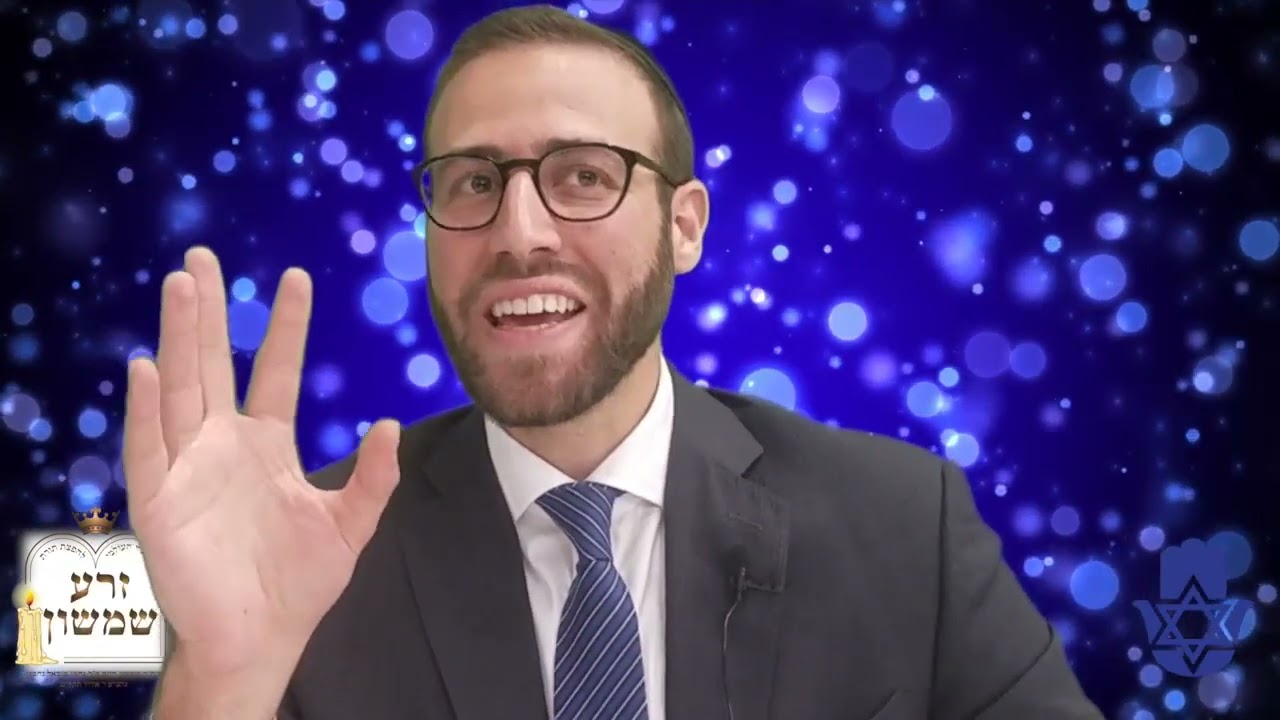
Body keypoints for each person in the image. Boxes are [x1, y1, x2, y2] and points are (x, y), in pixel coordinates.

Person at [132, 5, 1103, 719]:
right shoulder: (299, 570)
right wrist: (220, 679)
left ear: (684, 226)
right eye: (472, 182)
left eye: (583, 176)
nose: (519, 232)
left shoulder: (906, 527)